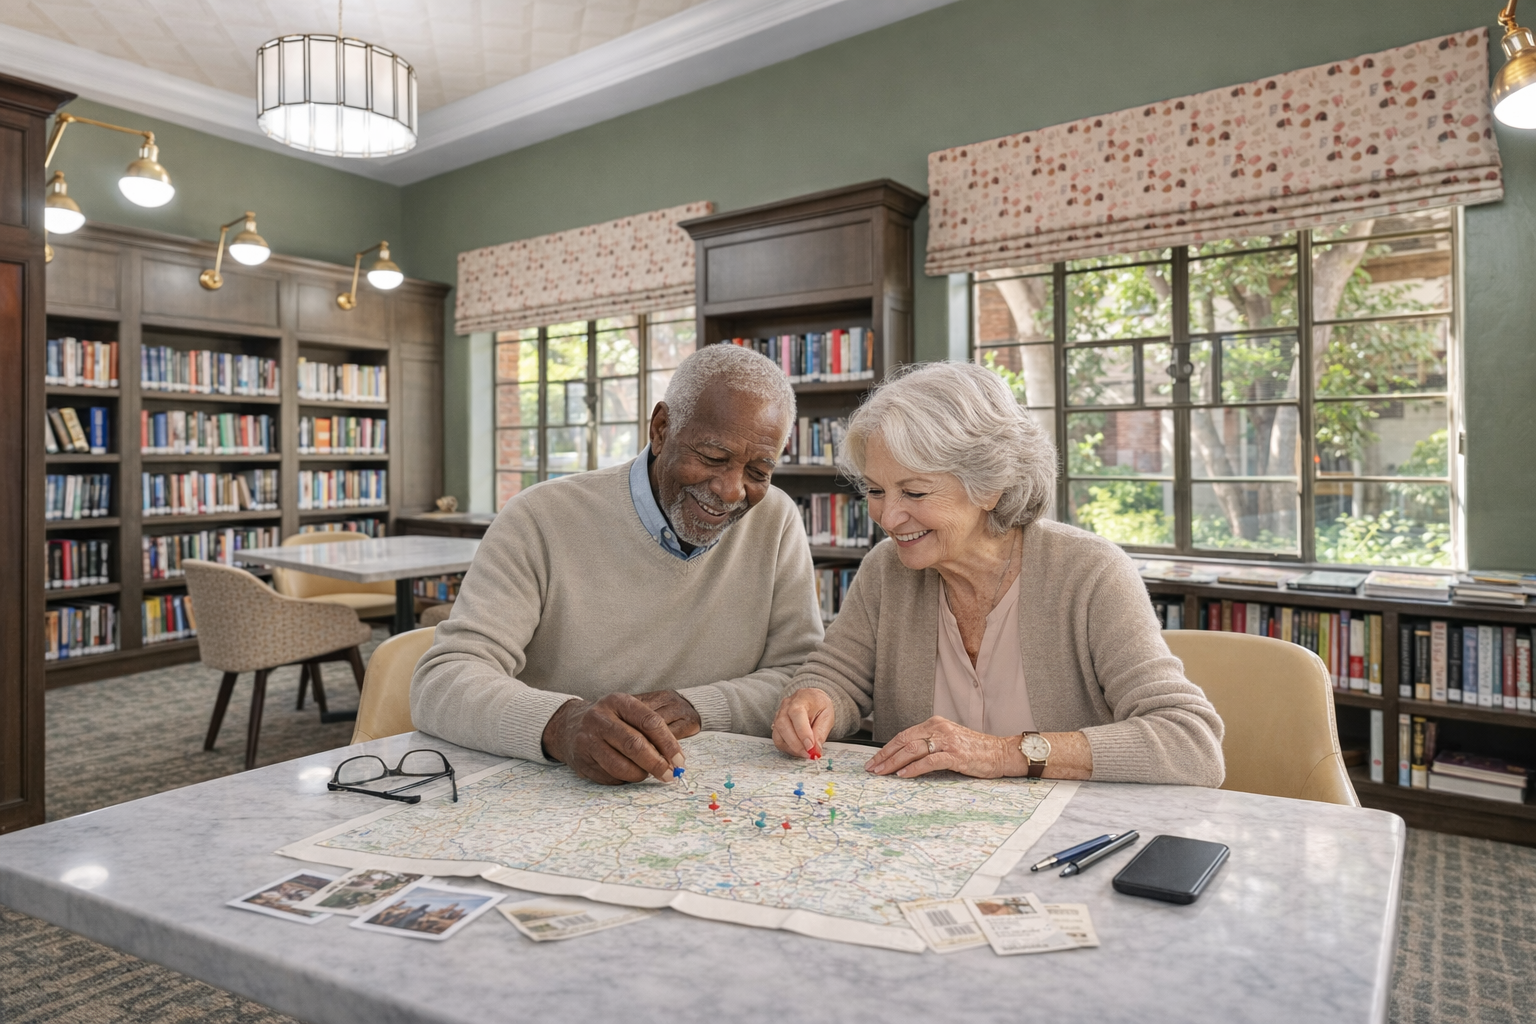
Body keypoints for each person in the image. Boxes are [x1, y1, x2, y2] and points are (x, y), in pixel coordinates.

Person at [772, 361, 1224, 787]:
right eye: (875, 490)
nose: (889, 518)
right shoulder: (886, 570)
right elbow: (835, 677)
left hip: (1064, 838)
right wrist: (815, 700)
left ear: (989, 485)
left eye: (914, 491)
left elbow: (1190, 742)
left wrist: (1003, 753)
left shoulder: (1090, 574)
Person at [413, 344, 823, 785]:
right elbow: (443, 679)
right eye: (712, 457)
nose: (731, 491)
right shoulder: (540, 517)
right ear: (661, 428)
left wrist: (697, 706)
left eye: (758, 472)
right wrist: (560, 723)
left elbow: (803, 679)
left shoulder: (775, 519)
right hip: (553, 794)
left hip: (706, 797)